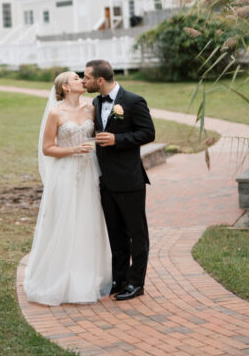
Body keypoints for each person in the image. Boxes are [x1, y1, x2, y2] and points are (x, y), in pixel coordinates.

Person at [23, 71, 112, 305]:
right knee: (65, 221)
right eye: (75, 78)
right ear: (64, 87)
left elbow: (95, 137)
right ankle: (60, 278)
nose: (81, 79)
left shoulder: (91, 108)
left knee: (89, 221)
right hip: (66, 174)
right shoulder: (56, 112)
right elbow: (47, 148)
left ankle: (87, 277)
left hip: (90, 172)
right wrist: (74, 150)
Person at [83, 60, 155, 301]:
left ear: (99, 81)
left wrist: (118, 139)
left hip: (130, 180)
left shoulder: (134, 101)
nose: (84, 82)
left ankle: (136, 284)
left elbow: (148, 133)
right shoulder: (96, 101)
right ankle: (119, 279)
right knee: (116, 234)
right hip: (105, 181)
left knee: (137, 234)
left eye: (87, 78)